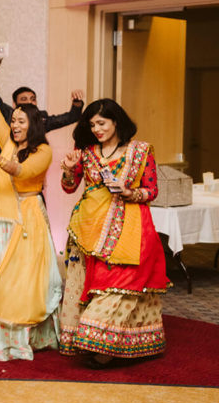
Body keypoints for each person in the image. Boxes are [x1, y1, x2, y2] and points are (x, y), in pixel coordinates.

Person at [59, 99, 168, 366]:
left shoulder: (140, 151)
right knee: (88, 284)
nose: (96, 129)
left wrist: (130, 192)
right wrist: (69, 171)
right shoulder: (87, 152)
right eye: (92, 124)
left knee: (122, 285)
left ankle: (104, 347)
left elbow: (151, 190)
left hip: (130, 227)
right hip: (89, 230)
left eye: (101, 123)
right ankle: (89, 341)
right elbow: (70, 187)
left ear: (116, 121)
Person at [0, 59, 62, 361]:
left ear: (33, 125)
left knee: (21, 281)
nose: (14, 125)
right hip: (0, 217)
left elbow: (22, 172)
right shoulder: (8, 141)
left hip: (27, 219)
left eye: (21, 122)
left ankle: (20, 337)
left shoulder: (44, 151)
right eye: (14, 121)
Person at [0, 80, 85, 133]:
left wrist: (76, 101)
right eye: (24, 99)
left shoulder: (41, 119)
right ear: (14, 104)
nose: (30, 102)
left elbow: (72, 117)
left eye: (33, 99)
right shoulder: (9, 114)